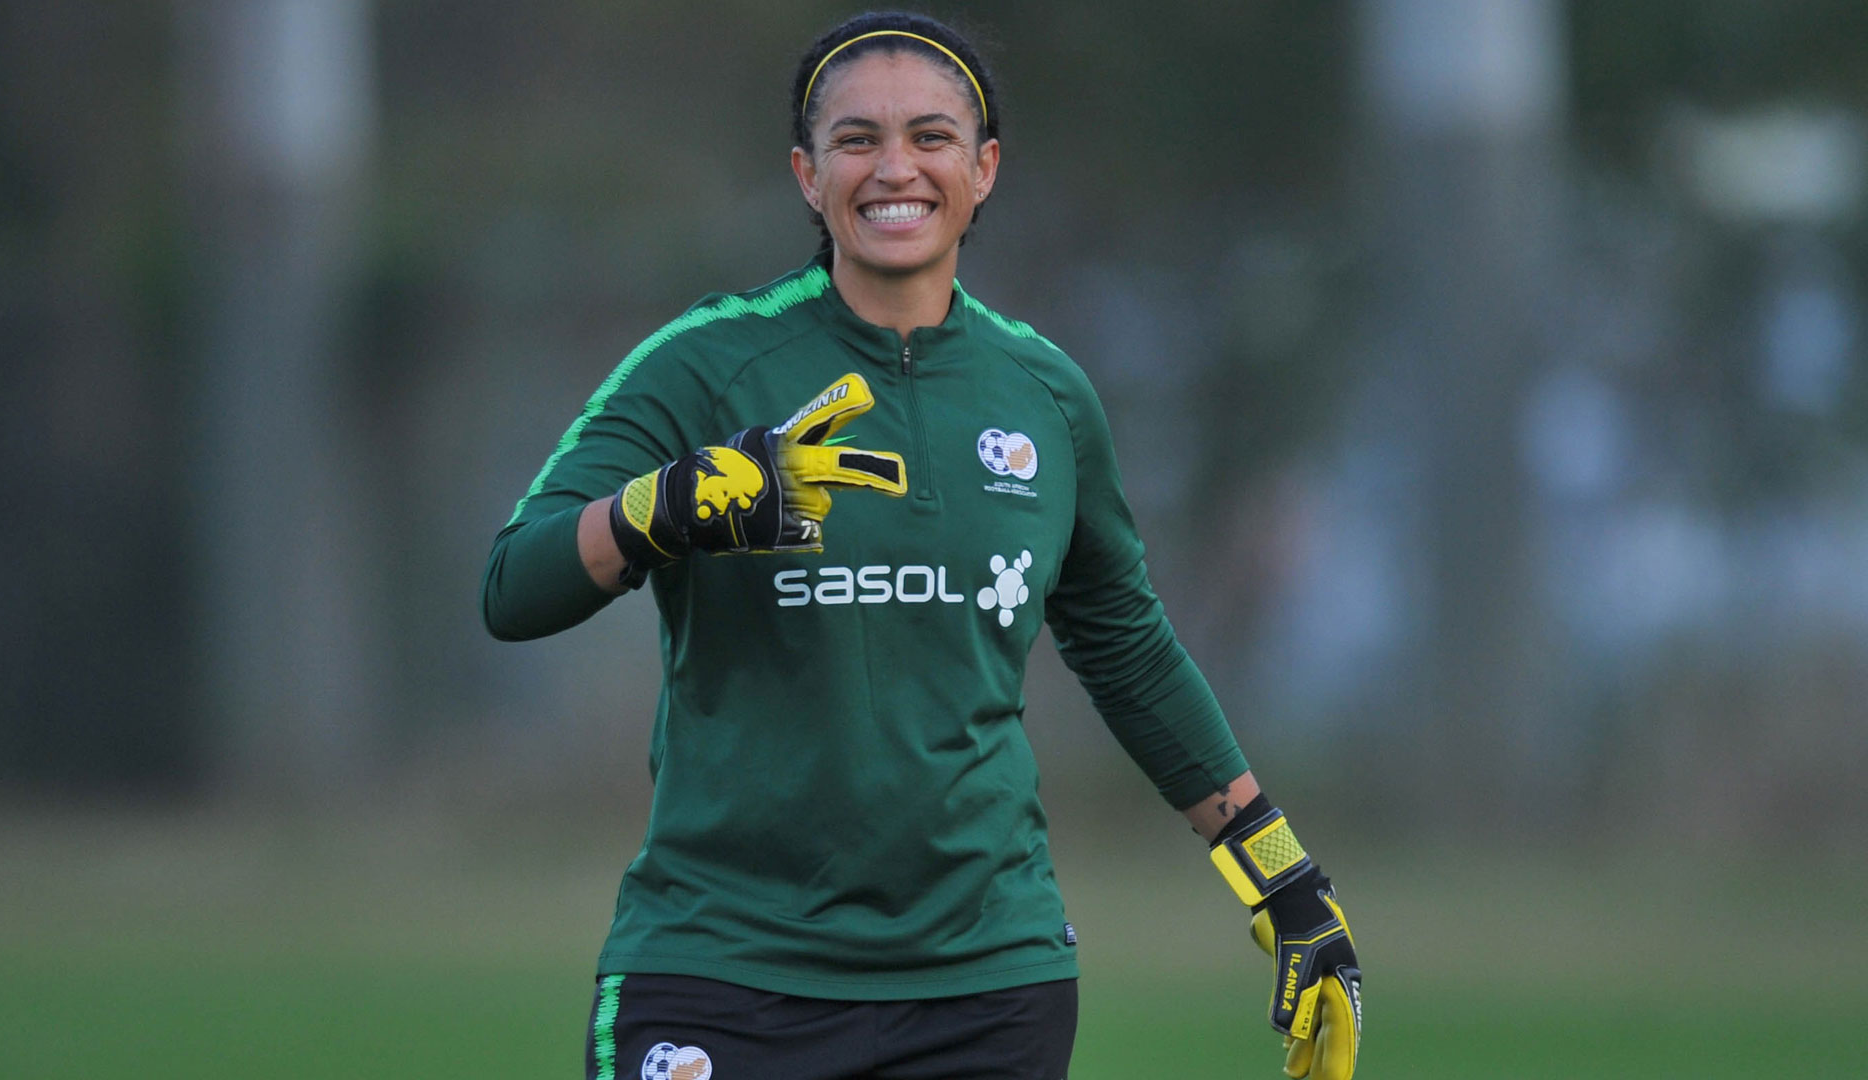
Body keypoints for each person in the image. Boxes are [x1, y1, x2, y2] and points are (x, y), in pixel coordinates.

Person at [482, 11, 1361, 1080]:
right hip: (721, 970)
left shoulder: (1045, 395)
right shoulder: (702, 367)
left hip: (986, 986)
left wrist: (1284, 877)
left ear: (984, 169)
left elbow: (1127, 648)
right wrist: (659, 512)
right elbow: (513, 586)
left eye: (932, 137)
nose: (894, 167)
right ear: (807, 175)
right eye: (856, 140)